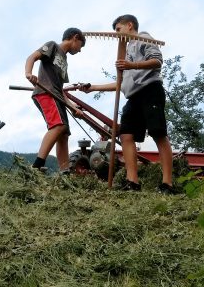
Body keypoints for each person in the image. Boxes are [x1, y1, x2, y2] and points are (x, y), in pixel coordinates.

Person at [81, 14, 175, 194]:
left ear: (129, 25)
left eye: (118, 29)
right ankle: (133, 182)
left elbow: (157, 62)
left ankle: (167, 184)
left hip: (150, 90)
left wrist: (132, 66)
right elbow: (121, 83)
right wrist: (93, 87)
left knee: (158, 133)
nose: (116, 33)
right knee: (126, 135)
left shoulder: (143, 38)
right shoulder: (125, 51)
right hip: (133, 96)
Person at [25, 27, 86, 173]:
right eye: (81, 46)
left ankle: (64, 173)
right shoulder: (53, 46)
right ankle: (36, 167)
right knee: (58, 126)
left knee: (63, 135)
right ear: (75, 38)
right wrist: (29, 73)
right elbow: (32, 57)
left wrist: (73, 107)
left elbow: (61, 89)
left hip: (58, 97)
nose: (80, 50)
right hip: (45, 93)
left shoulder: (65, 61)